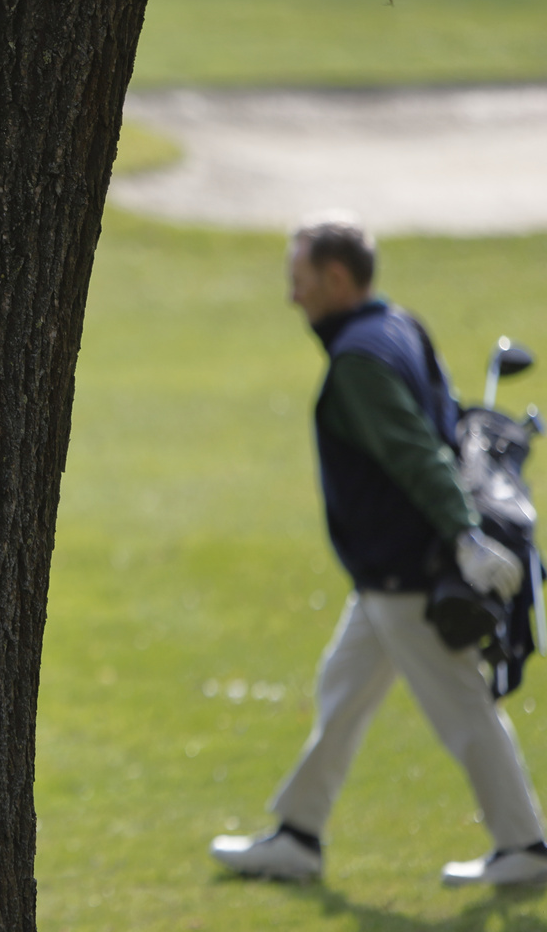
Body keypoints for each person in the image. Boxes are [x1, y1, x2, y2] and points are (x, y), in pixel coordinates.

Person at [209, 218, 547, 886]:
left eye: (299, 282)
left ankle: (526, 850)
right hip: (391, 575)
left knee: (462, 710)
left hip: (408, 575)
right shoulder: (399, 323)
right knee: (342, 693)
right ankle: (298, 836)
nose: (293, 297)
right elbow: (446, 423)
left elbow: (417, 455)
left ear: (336, 279)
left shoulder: (359, 359)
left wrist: (464, 536)